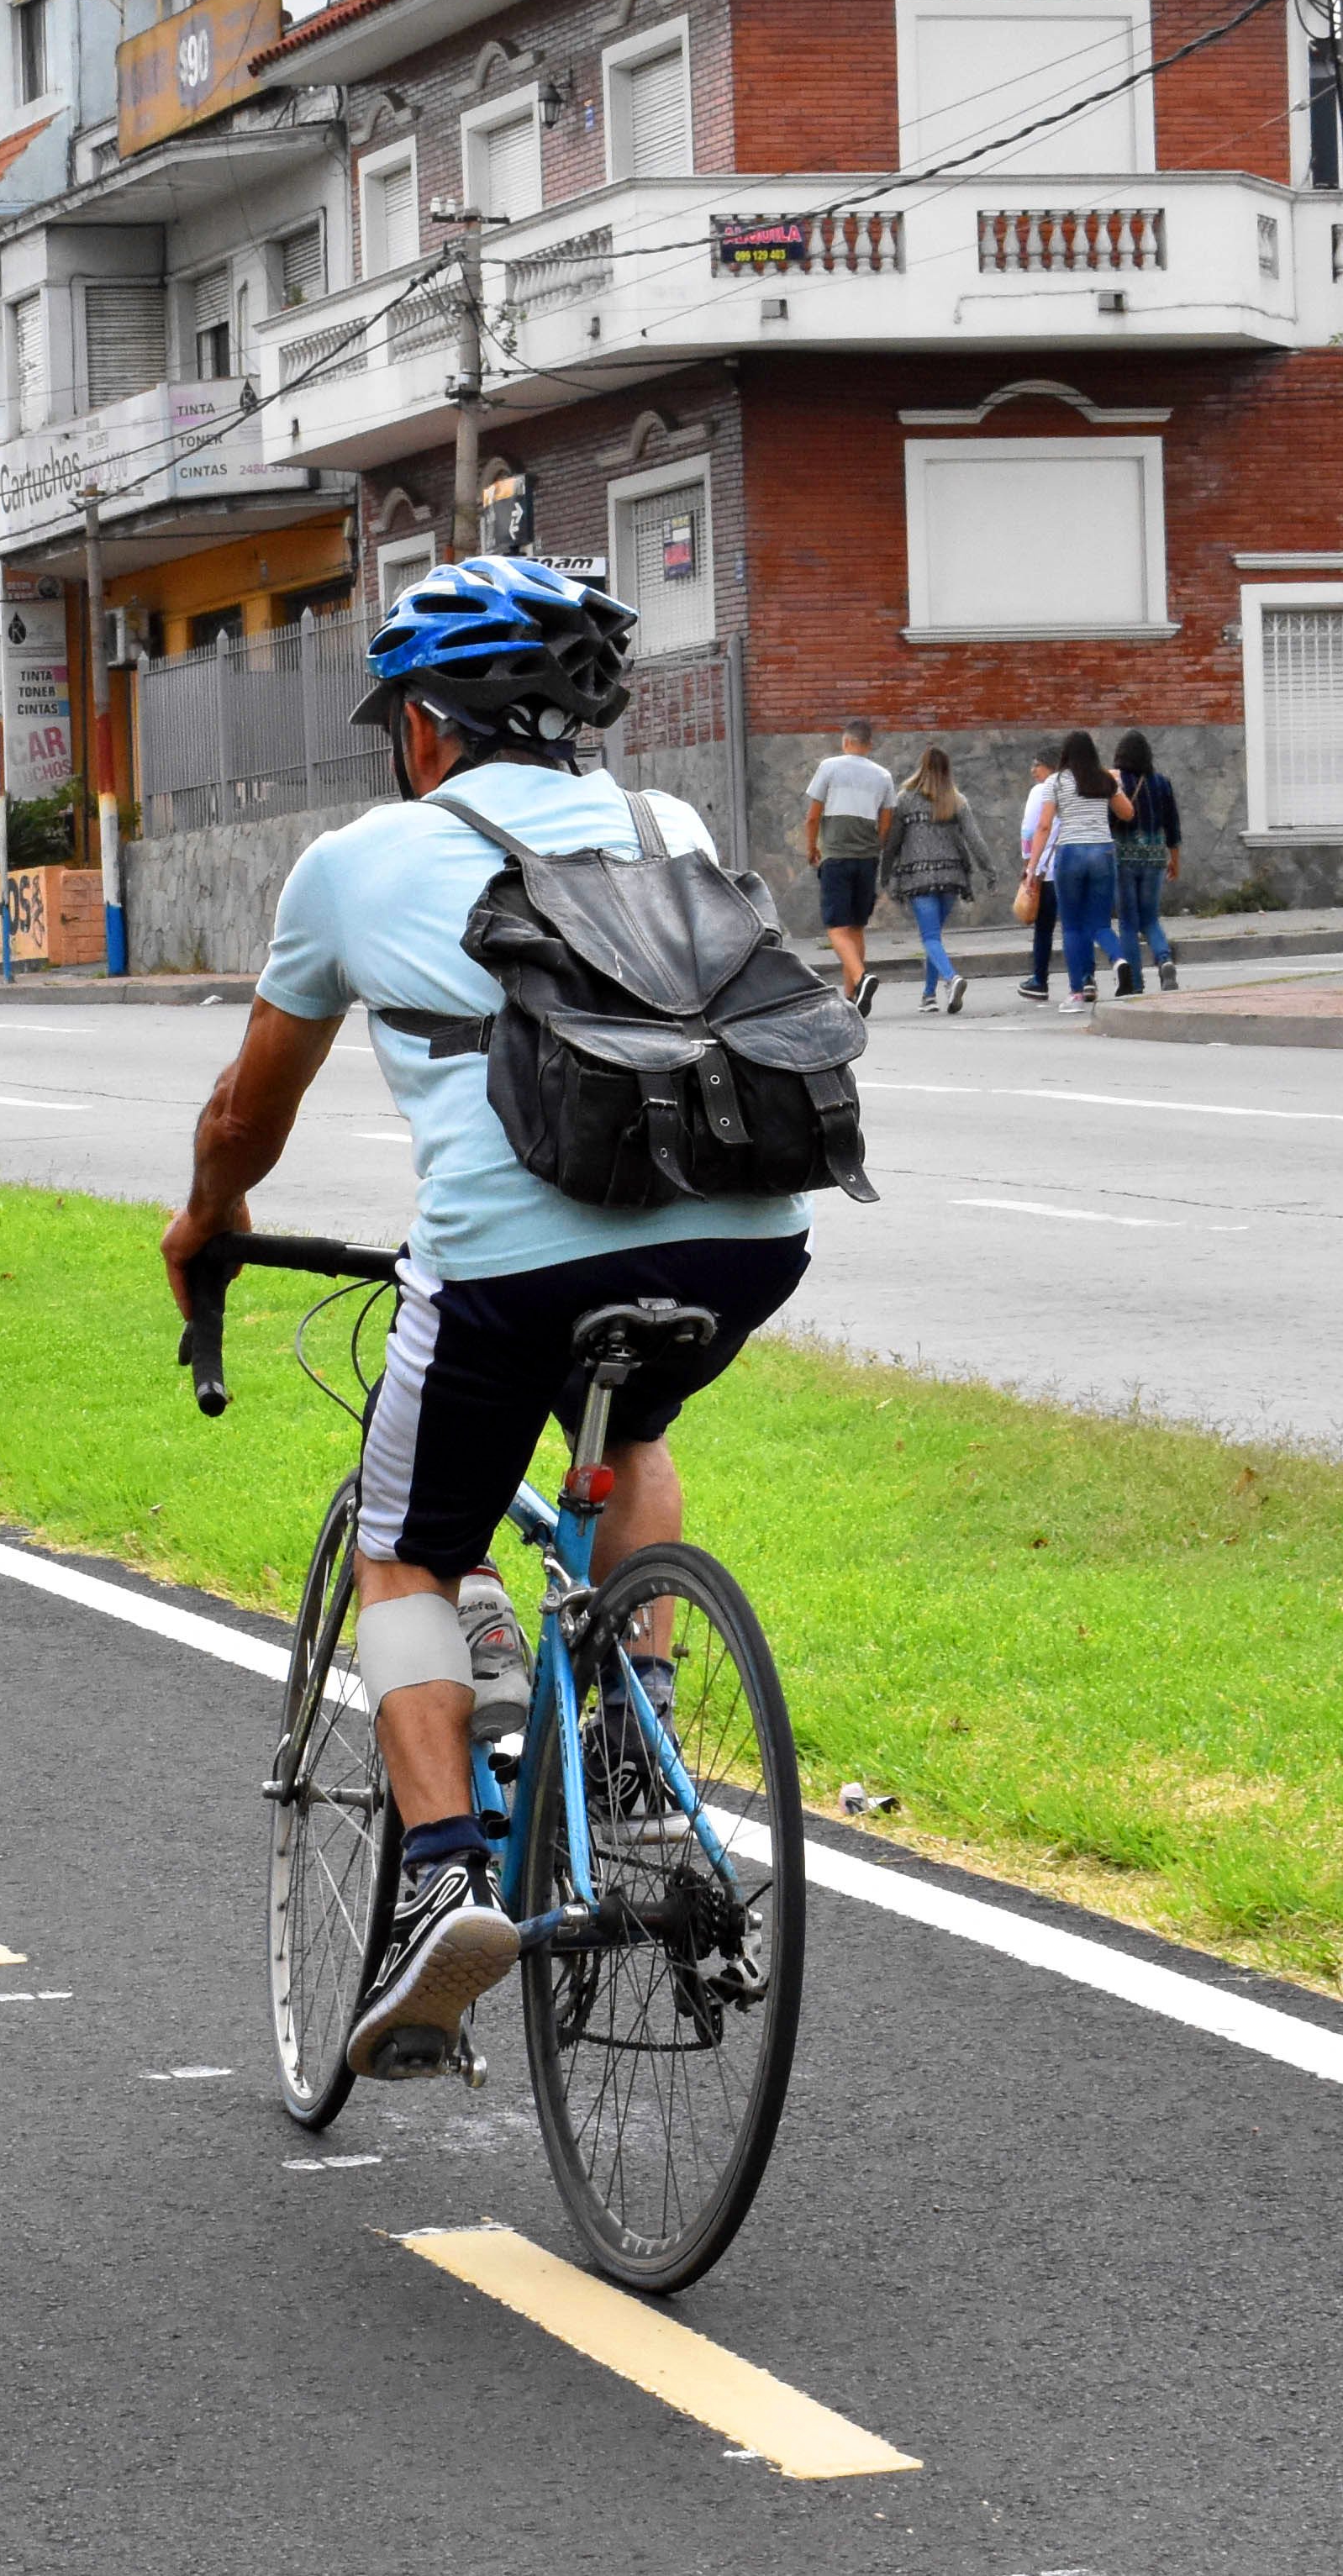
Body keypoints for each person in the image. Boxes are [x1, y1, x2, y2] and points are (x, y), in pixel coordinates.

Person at [162, 557, 811, 2079]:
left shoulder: (356, 861)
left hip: (511, 1265)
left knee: (410, 1550)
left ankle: (444, 1876)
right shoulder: (676, 826)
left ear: (431, 728)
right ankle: (639, 1733)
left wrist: (208, 1219)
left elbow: (247, 1111)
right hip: (745, 1238)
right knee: (633, 1418)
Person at [885, 745, 990, 1014]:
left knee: (930, 937)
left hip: (918, 878)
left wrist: (885, 872)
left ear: (922, 767)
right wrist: (988, 870)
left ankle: (951, 979)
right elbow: (975, 839)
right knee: (935, 938)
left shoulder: (905, 799)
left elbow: (893, 841)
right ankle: (928, 996)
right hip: (951, 878)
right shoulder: (955, 800)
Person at [799, 720, 895, 1014]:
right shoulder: (884, 776)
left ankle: (861, 977)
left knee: (836, 928)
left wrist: (812, 847)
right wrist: (874, 847)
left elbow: (813, 816)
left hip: (837, 857)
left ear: (846, 742)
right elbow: (886, 821)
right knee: (856, 927)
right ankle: (853, 999)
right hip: (867, 859)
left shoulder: (829, 767)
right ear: (869, 744)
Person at [1037, 728, 1131, 1008]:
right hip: (1103, 851)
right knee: (1100, 923)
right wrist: (1117, 786)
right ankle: (1120, 960)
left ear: (1065, 754)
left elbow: (1044, 826)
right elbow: (1127, 813)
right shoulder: (1104, 779)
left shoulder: (1055, 781)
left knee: (1072, 926)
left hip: (1071, 853)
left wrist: (1033, 865)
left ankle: (1077, 991)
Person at [1111, 730, 1182, 994]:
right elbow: (1172, 825)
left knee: (1128, 922)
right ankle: (1165, 960)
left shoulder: (1115, 782)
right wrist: (1174, 860)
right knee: (1150, 918)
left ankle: (1136, 983)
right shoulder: (1162, 783)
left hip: (1123, 858)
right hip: (1154, 857)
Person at [1014, 749, 1061, 1002]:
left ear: (1051, 767)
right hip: (1069, 865)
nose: (1034, 770)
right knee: (1078, 927)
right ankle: (1086, 980)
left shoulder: (1039, 792)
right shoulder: (1073, 787)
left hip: (1045, 870)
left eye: (1038, 765)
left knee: (1044, 928)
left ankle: (1039, 980)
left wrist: (1028, 867)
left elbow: (1029, 832)